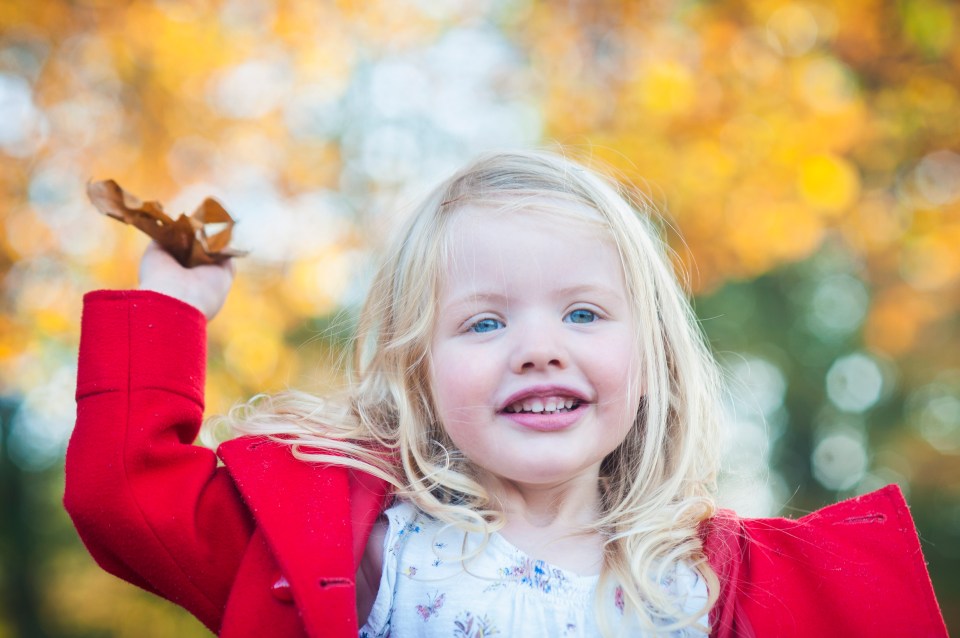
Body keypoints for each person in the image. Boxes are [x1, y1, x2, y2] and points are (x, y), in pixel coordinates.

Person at [65, 150, 947, 637]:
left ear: (654, 356)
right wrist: (170, 306)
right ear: (420, 372)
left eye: (583, 314)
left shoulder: (709, 591)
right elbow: (122, 497)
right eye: (484, 324)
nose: (536, 350)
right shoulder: (365, 552)